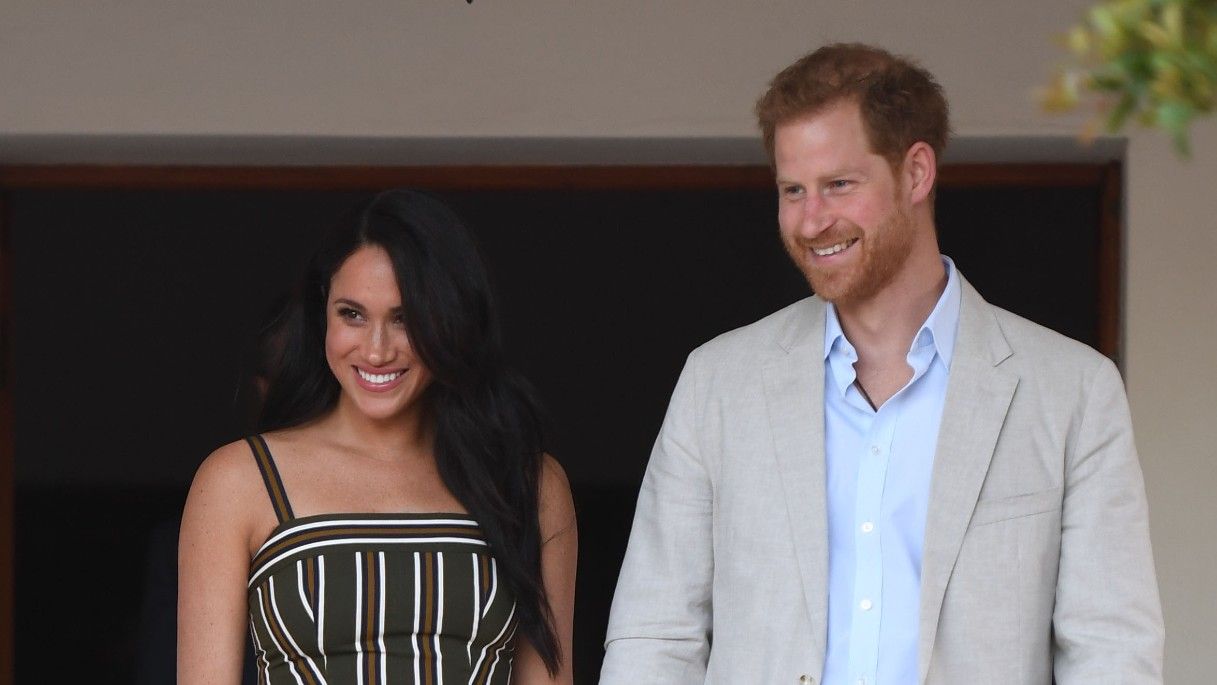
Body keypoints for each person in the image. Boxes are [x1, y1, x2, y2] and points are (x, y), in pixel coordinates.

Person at [601, 44, 1163, 684]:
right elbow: (655, 635)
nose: (812, 220)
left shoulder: (1072, 391)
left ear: (917, 173)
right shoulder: (716, 384)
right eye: (793, 190)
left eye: (839, 184)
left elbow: (1112, 652)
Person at [179, 189, 577, 684]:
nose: (376, 350)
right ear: (323, 311)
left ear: (450, 321)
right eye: (353, 314)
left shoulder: (530, 483)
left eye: (405, 318)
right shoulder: (239, 481)